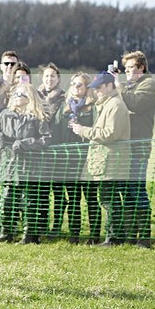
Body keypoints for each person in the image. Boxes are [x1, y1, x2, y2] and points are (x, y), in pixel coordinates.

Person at [71, 71, 131, 246]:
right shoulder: (107, 104)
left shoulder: (115, 105)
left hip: (111, 161)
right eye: (94, 88)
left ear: (110, 86)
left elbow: (109, 134)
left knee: (109, 199)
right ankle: (114, 237)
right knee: (108, 199)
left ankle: (113, 238)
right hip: (105, 161)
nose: (96, 91)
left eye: (99, 87)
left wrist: (83, 131)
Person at [0, 83, 52, 244]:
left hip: (29, 165)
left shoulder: (38, 116)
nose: (17, 97)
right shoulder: (5, 114)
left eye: (21, 95)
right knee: (7, 200)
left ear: (29, 98)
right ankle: (6, 233)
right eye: (15, 94)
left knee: (29, 202)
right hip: (8, 164)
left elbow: (46, 138)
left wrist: (25, 143)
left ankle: (29, 236)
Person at [52, 72, 100, 244]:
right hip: (67, 161)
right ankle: (74, 234)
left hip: (87, 160)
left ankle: (94, 235)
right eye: (73, 84)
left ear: (87, 88)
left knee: (91, 198)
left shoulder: (93, 108)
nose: (76, 87)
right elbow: (56, 132)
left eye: (80, 84)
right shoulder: (63, 109)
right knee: (73, 199)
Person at [117, 51, 155, 248]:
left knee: (137, 189)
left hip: (139, 145)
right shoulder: (128, 86)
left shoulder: (149, 84)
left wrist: (118, 87)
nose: (127, 72)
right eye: (125, 69)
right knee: (127, 190)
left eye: (131, 68)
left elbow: (135, 104)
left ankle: (144, 237)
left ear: (141, 67)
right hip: (124, 145)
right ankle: (130, 235)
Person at [36, 62, 67, 237]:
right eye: (46, 76)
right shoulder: (36, 95)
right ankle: (41, 224)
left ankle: (57, 226)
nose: (49, 79)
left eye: (52, 76)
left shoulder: (63, 97)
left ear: (58, 79)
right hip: (40, 149)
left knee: (58, 191)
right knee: (41, 190)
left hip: (57, 148)